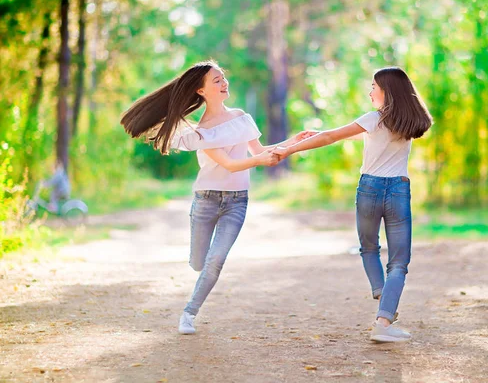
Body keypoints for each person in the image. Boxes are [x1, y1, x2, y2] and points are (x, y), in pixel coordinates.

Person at [120, 60, 315, 334]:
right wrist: (259, 161)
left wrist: (294, 142)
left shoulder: (241, 117)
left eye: (223, 78)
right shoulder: (201, 132)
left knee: (215, 260)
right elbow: (231, 163)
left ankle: (189, 313)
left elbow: (259, 149)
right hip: (206, 200)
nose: (224, 83)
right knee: (199, 262)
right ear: (201, 91)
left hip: (237, 201)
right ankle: (197, 268)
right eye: (216, 80)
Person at [274, 67, 433, 343]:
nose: (370, 91)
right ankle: (386, 312)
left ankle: (383, 298)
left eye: (373, 86)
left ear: (387, 91)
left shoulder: (374, 119)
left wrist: (289, 149)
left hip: (370, 188)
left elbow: (331, 138)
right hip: (398, 190)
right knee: (399, 263)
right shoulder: (409, 122)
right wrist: (320, 132)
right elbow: (349, 134)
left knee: (369, 247)